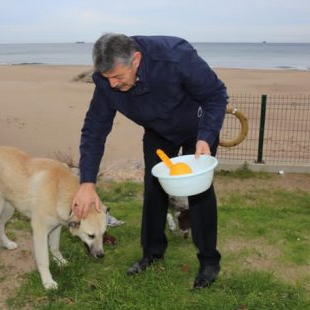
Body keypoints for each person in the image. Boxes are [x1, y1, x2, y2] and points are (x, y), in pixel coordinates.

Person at [71, 33, 228, 289]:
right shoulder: (105, 79)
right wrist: (87, 181)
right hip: (157, 131)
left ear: (137, 60)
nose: (111, 84)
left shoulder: (176, 57)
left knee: (199, 194)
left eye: (118, 77)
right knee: (154, 189)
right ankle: (152, 253)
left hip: (197, 128)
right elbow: (94, 129)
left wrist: (206, 137)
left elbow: (216, 95)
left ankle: (209, 261)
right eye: (106, 78)